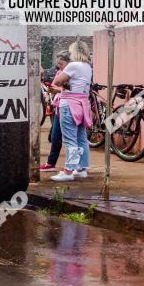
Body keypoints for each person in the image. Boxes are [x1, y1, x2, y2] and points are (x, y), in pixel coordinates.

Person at [50, 41, 93, 182]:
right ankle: (81, 169)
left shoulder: (73, 65)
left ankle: (68, 171)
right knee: (81, 138)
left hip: (69, 104)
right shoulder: (87, 66)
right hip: (82, 104)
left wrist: (64, 82)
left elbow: (56, 81)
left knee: (70, 139)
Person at [39, 51, 70, 171]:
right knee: (55, 135)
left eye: (61, 63)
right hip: (60, 105)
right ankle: (52, 162)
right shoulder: (60, 71)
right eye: (57, 64)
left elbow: (70, 90)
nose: (59, 66)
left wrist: (56, 90)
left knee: (71, 139)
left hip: (69, 106)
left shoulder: (71, 72)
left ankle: (73, 167)